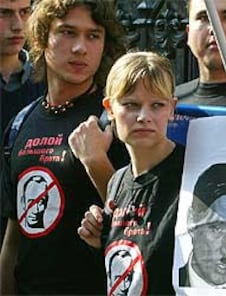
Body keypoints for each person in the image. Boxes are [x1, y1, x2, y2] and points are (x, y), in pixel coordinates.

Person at [0, 0, 128, 294]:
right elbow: (13, 241)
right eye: (68, 32)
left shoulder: (116, 122)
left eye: (93, 35)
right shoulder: (21, 122)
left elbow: (142, 223)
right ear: (42, 37)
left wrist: (97, 163)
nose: (80, 47)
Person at [77, 51, 185, 295]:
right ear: (110, 108)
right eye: (131, 105)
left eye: (157, 105)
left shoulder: (192, 171)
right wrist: (99, 238)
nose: (144, 117)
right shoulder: (117, 181)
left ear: (172, 109)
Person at [0, 0, 45, 250]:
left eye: (24, 12)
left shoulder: (48, 80)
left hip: (30, 229)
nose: (18, 25)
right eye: (4, 13)